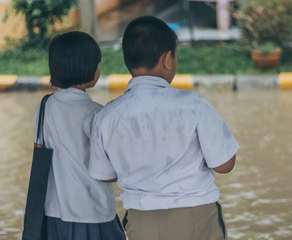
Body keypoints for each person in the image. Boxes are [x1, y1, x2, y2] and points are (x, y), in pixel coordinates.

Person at [87, 16, 239, 240]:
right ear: (168, 58)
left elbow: (104, 175)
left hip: (140, 224)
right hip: (196, 218)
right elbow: (225, 165)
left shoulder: (107, 116)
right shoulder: (194, 105)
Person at [33, 31, 126, 240]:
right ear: (88, 67)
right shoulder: (95, 113)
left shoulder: (44, 106)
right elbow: (109, 168)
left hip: (53, 212)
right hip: (91, 210)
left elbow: (38, 150)